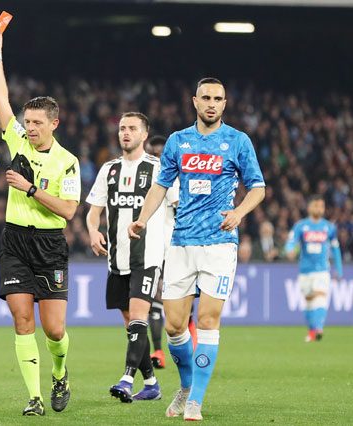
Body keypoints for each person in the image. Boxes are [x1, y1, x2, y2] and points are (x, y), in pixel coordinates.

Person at [129, 77, 265, 421]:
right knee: (175, 326)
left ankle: (195, 401)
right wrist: (142, 220)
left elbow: (258, 188)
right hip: (181, 243)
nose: (211, 103)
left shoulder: (237, 141)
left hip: (219, 244)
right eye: (206, 97)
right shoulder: (178, 141)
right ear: (194, 101)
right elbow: (161, 186)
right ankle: (187, 386)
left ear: (224, 103)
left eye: (218, 98)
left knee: (206, 320)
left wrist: (238, 212)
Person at [0, 27, 80, 416]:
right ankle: (35, 397)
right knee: (21, 317)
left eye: (37, 122)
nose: (29, 127)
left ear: (53, 124)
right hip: (15, 243)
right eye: (27, 121)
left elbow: (68, 211)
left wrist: (29, 189)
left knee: (54, 330)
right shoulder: (18, 143)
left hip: (49, 245)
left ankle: (60, 372)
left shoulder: (67, 162)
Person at [86, 113, 170, 403]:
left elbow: (177, 207)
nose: (126, 133)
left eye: (132, 128)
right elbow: (94, 209)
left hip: (147, 257)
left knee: (137, 317)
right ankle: (151, 383)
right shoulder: (109, 169)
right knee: (132, 325)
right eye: (122, 128)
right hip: (117, 259)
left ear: (144, 134)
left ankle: (126, 379)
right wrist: (93, 230)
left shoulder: (159, 169)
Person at [144, 136, 196, 367]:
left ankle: (190, 341)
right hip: (148, 248)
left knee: (181, 302)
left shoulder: (171, 178)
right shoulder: (143, 175)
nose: (156, 157)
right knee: (153, 300)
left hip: (172, 248)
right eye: (152, 152)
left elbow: (180, 208)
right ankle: (158, 352)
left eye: (159, 152)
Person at [285, 195, 342, 342]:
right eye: (316, 206)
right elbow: (291, 241)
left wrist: (339, 269)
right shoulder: (301, 226)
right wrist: (289, 250)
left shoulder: (329, 227)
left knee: (320, 296)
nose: (319, 209)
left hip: (322, 270)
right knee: (309, 301)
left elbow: (335, 249)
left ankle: (319, 328)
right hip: (305, 271)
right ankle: (312, 331)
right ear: (309, 207)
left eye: (321, 206)